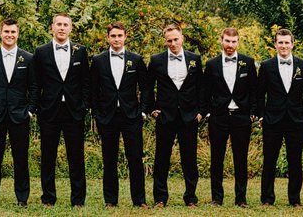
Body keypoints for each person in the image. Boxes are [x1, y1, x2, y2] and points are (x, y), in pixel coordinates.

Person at [90, 22, 149, 209]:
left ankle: (139, 200)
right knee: (109, 159)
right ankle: (110, 200)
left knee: (135, 158)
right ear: (108, 38)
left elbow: (146, 88)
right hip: (107, 116)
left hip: (131, 116)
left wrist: (143, 111)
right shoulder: (98, 60)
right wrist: (97, 113)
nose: (116, 39)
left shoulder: (136, 59)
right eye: (113, 36)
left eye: (120, 36)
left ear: (125, 37)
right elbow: (92, 90)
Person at [33, 13, 89, 207]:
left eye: (66, 24)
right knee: (48, 156)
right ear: (52, 27)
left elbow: (85, 82)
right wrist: (38, 106)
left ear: (71, 28)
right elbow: (36, 82)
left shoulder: (80, 51)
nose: (62, 28)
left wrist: (84, 105)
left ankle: (78, 200)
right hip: (49, 110)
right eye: (59, 24)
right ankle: (48, 198)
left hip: (74, 111)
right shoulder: (41, 52)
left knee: (76, 156)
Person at [143, 24, 203, 208]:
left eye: (176, 39)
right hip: (165, 116)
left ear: (182, 38)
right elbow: (147, 87)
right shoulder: (156, 60)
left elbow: (201, 87)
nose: (173, 43)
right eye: (169, 40)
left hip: (189, 116)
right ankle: (160, 198)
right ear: (165, 41)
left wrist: (200, 111)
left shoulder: (195, 59)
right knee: (161, 158)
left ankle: (191, 198)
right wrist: (152, 108)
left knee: (190, 159)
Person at [0, 18, 37, 206]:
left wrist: (29, 111)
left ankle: (22, 198)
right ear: (1, 33)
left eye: (13, 32)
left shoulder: (28, 58)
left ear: (17, 34)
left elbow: (34, 87)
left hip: (19, 115)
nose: (9, 35)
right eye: (6, 32)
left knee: (20, 158)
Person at [202, 27, 257, 208]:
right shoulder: (211, 64)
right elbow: (205, 92)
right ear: (221, 41)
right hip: (219, 117)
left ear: (238, 42)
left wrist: (251, 114)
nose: (230, 45)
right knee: (216, 158)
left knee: (240, 158)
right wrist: (209, 112)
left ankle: (241, 198)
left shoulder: (248, 63)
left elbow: (254, 91)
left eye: (233, 42)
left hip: (241, 117)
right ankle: (217, 198)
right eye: (227, 41)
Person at [256, 28, 303, 207]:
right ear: (275, 45)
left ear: (293, 44)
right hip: (272, 120)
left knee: (295, 160)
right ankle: (267, 198)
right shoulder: (266, 66)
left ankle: (295, 199)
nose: (284, 46)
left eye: (287, 42)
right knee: (269, 160)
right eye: (280, 42)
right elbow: (259, 93)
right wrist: (261, 115)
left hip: (296, 120)